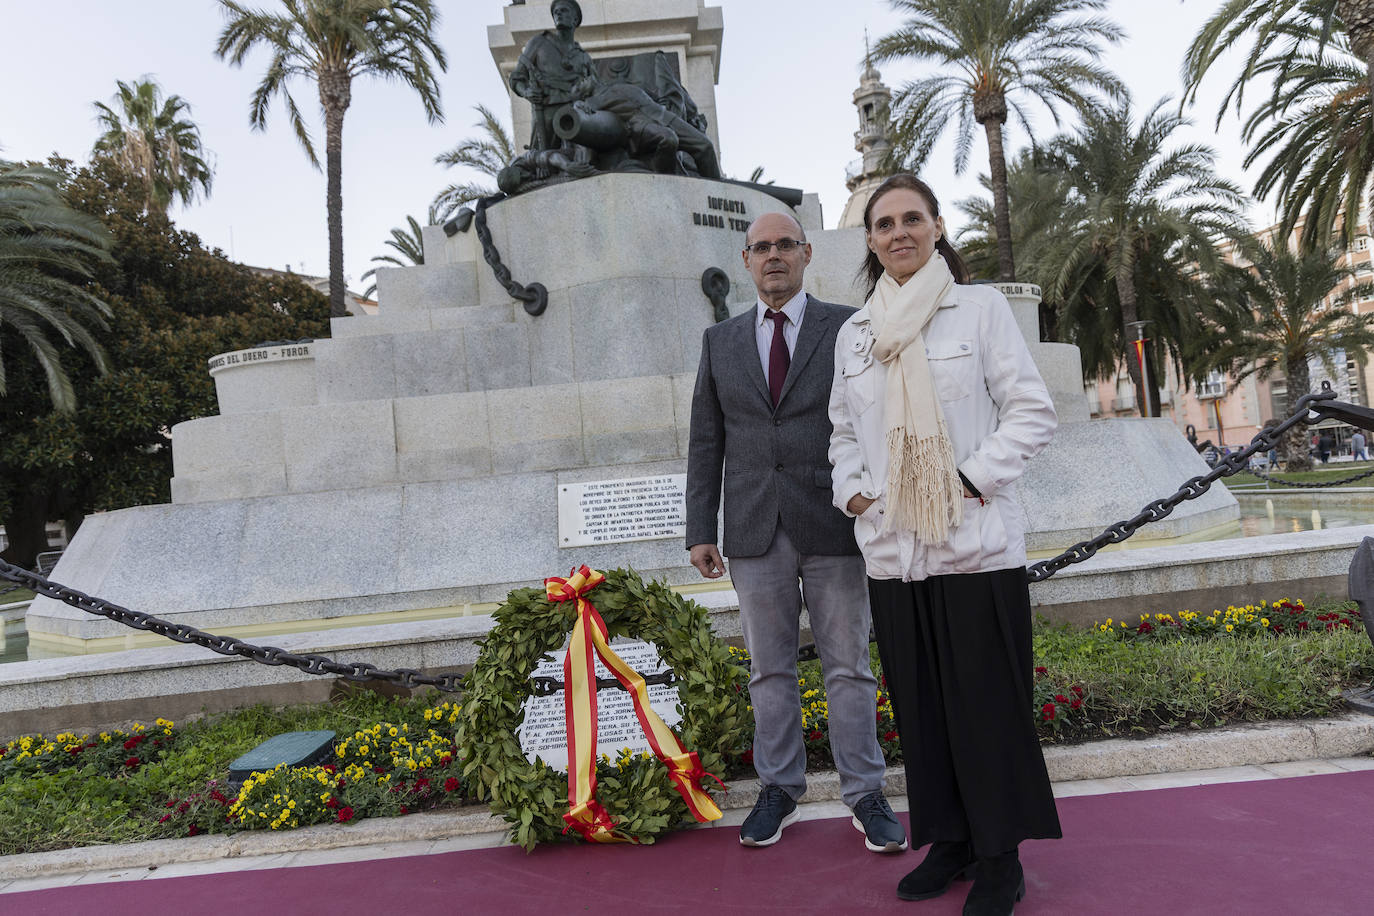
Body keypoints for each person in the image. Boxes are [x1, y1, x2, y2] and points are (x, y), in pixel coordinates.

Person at [828, 174, 1061, 914]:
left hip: (973, 549)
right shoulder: (856, 333)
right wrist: (855, 495)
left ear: (935, 227)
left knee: (985, 709)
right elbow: (841, 433)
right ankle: (953, 842)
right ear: (869, 240)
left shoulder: (979, 309)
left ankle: (1000, 858)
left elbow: (1030, 411)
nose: (899, 232)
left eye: (912, 219)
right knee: (923, 712)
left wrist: (966, 481)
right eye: (884, 223)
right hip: (895, 554)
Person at [686, 212, 906, 854]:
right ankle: (778, 788)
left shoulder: (847, 327)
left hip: (835, 519)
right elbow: (707, 439)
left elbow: (874, 415)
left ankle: (865, 792)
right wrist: (702, 526)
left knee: (849, 668)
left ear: (808, 254)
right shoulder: (719, 341)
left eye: (786, 245)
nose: (774, 256)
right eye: (762, 247)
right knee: (768, 670)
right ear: (746, 259)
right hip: (754, 528)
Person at [509, 0, 596, 154]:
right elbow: (516, 78)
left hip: (577, 116)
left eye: (564, 10)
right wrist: (526, 92)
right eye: (556, 11)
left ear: (575, 19)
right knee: (540, 163)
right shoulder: (538, 43)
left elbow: (597, 89)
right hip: (546, 115)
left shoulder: (584, 58)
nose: (558, 13)